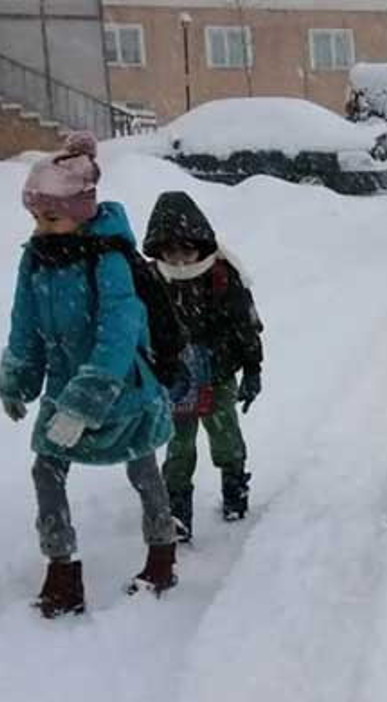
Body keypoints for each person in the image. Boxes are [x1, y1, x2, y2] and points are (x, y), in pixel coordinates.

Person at [0, 132, 178, 619]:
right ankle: (62, 571)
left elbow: (119, 333)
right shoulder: (36, 257)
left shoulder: (109, 259)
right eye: (35, 217)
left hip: (122, 389)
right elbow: (25, 324)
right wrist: (17, 378)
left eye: (50, 217)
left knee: (142, 466)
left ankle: (162, 555)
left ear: (80, 212)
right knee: (46, 469)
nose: (40, 227)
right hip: (64, 387)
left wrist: (86, 402)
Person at [142, 191, 264, 543]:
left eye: (186, 250)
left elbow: (245, 326)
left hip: (219, 374)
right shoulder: (152, 280)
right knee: (178, 445)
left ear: (200, 245)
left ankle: (234, 489)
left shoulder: (222, 278)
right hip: (174, 378)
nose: (179, 260)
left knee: (225, 435)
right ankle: (178, 512)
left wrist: (253, 369)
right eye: (170, 251)